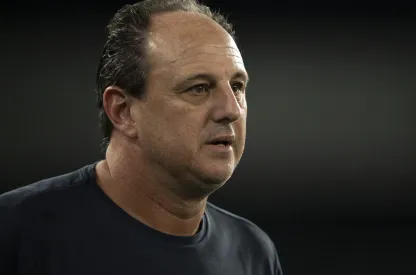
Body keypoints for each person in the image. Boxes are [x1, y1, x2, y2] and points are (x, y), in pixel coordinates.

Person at [0, 0, 283, 274]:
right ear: (123, 111)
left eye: (237, 86)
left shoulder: (253, 253)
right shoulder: (17, 232)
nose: (231, 109)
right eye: (198, 88)